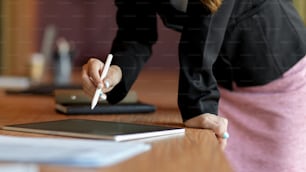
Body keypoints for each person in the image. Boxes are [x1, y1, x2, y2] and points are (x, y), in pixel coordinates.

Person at [81, 0, 306, 171]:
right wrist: (114, 73)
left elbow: (203, 30)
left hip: (281, 82)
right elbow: (135, 34)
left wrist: (198, 106)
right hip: (218, 86)